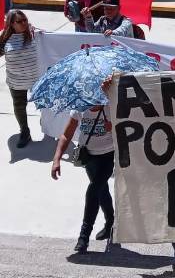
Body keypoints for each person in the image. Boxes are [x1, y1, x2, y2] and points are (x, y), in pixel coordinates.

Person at [51, 102, 115, 253]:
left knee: (93, 191)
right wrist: (56, 159)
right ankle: (110, 223)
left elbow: (127, 128)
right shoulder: (79, 109)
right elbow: (66, 134)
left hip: (109, 156)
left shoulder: (111, 107)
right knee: (101, 190)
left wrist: (114, 128)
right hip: (89, 157)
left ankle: (83, 237)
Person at [0, 10, 40, 148]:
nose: (24, 23)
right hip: (16, 81)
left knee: (45, 105)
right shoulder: (6, 37)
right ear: (12, 24)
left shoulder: (34, 33)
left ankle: (49, 127)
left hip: (37, 79)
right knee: (19, 106)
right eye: (19, 21)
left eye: (25, 20)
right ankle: (25, 132)